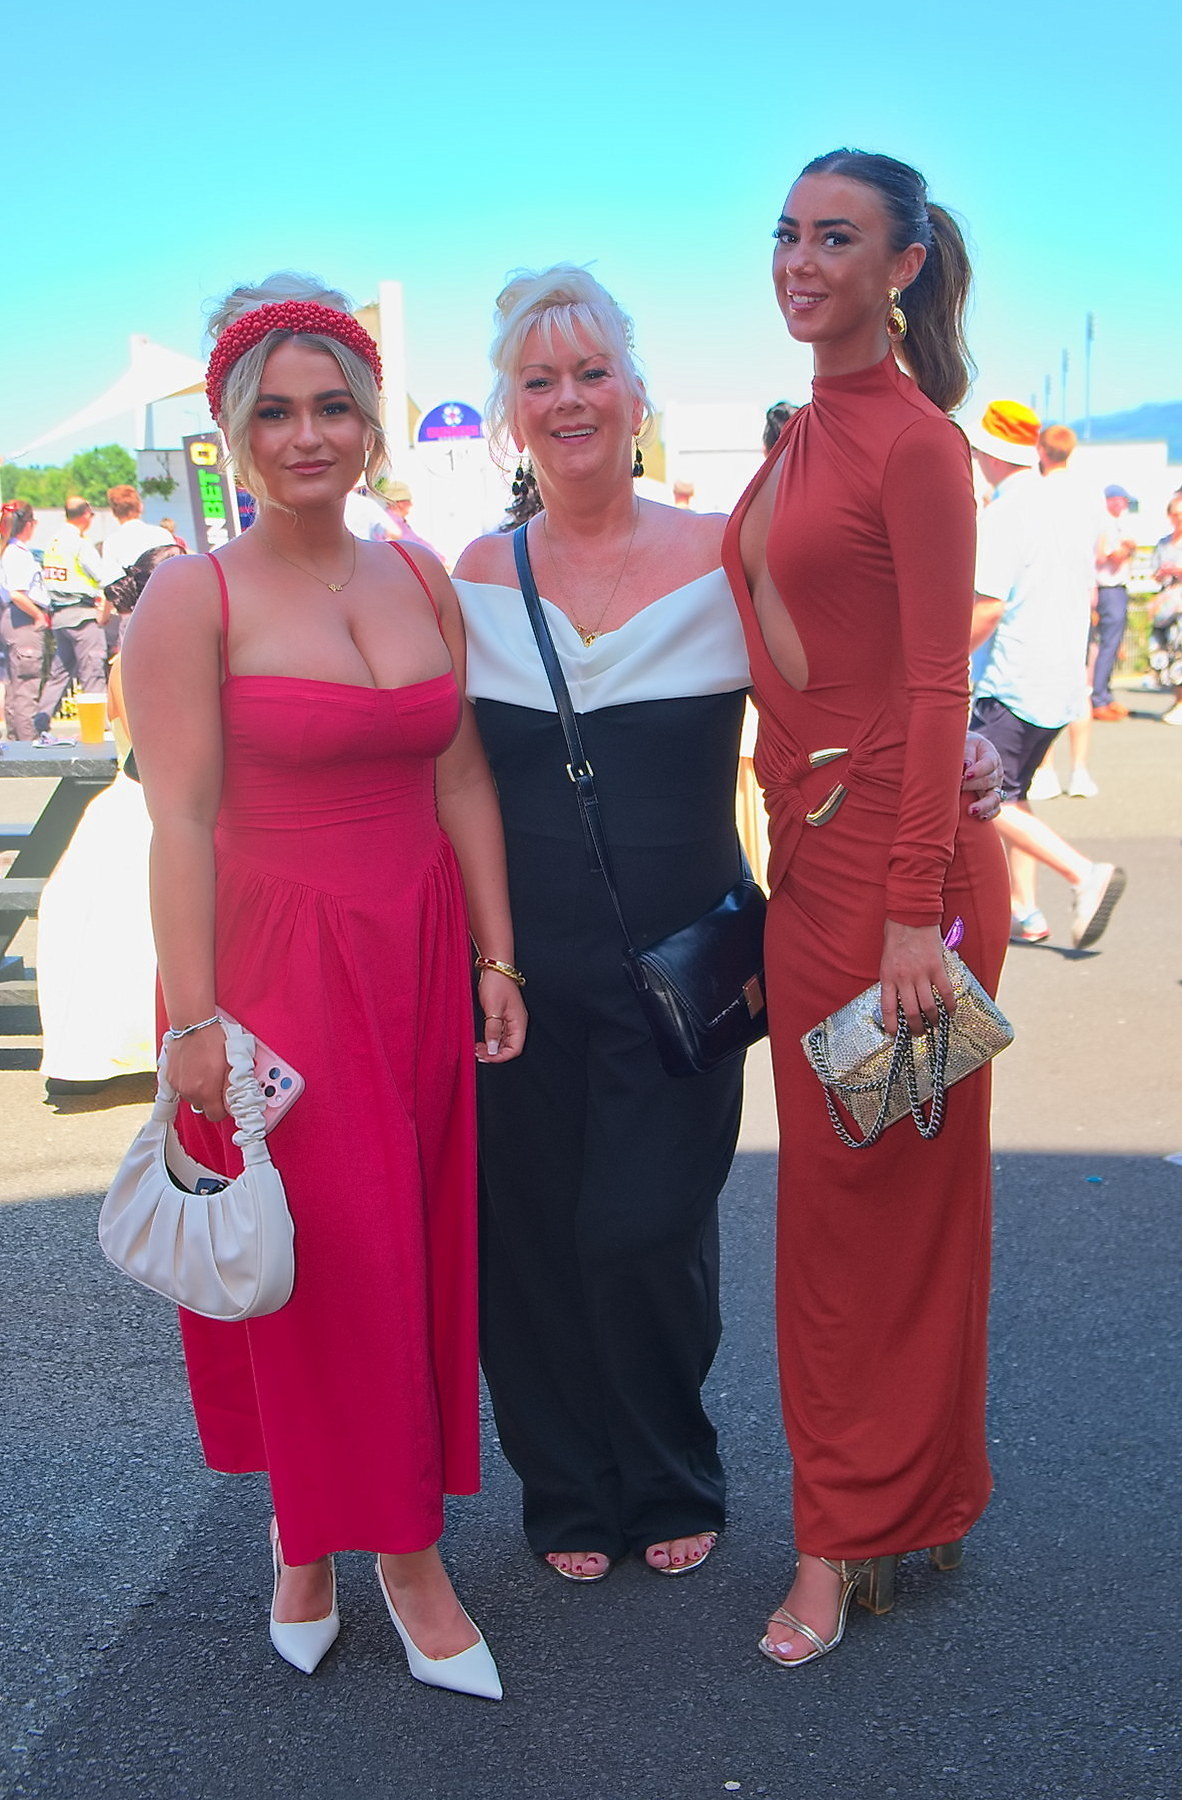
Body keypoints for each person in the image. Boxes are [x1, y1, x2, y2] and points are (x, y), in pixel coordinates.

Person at [451, 264, 1003, 1587]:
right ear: (509, 415)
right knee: (526, 1233)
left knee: (646, 1224)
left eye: (593, 374)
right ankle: (567, 1491)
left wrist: (967, 753)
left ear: (635, 396)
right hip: (517, 966)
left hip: (690, 962)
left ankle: (670, 1469)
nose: (569, 399)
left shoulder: (720, 553)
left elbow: (859, 682)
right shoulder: (471, 574)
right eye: (541, 381)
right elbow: (431, 761)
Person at [120, 274, 525, 1697]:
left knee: (401, 1245)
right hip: (277, 962)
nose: (309, 434)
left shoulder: (418, 573)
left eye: (334, 405)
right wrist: (190, 1022)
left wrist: (494, 952)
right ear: (234, 432)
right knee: (317, 1257)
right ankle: (394, 1557)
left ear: (371, 422)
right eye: (276, 411)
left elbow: (460, 769)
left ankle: (312, 1524)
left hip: (414, 946)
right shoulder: (192, 593)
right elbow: (175, 819)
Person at [722, 149, 1012, 1667]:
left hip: (901, 892)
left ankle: (836, 1544)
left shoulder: (911, 442)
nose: (798, 260)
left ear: (900, 268)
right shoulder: (802, 435)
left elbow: (930, 677)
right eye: (785, 233)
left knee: (860, 1231)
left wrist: (913, 914)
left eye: (834, 239)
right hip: (816, 872)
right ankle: (919, 1500)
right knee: (881, 1220)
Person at [971, 417, 1126, 948]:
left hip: (1013, 677)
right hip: (1057, 680)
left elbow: (988, 606)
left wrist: (931, 663)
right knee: (1013, 791)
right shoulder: (1069, 505)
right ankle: (1025, 910)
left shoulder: (1004, 512)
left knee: (982, 793)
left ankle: (1084, 874)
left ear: (987, 455)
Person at [37, 543, 182, 1091]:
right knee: (127, 934)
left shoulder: (146, 654)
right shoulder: (138, 659)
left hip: (149, 801)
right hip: (145, 804)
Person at [36, 496, 109, 739]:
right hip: (82, 616)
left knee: (60, 673)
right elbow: (102, 576)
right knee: (93, 672)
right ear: (85, 514)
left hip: (59, 617)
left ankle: (41, 720)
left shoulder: (53, 542)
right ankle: (99, 731)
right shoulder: (79, 543)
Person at [1, 500, 51, 741]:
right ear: (28, 524)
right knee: (26, 684)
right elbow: (17, 593)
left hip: (12, 619)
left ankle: (15, 739)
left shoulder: (9, 550)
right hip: (23, 619)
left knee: (14, 684)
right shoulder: (17, 553)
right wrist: (38, 614)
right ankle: (27, 742)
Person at [1091, 484, 1138, 720]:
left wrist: (1128, 548)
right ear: (1111, 500)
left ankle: (1105, 695)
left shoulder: (1118, 523)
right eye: (1122, 500)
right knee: (1108, 644)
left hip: (1116, 587)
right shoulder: (1103, 523)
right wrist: (1124, 549)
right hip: (1107, 588)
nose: (1125, 505)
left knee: (1113, 642)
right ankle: (1098, 697)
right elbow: (1104, 555)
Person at [1149, 489, 1182, 725]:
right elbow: (1154, 573)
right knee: (1166, 652)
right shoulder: (1163, 543)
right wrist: (1162, 574)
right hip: (1166, 604)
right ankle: (1176, 699)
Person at [98, 485, 174, 585]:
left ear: (114, 512)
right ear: (140, 507)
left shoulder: (112, 542)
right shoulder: (162, 534)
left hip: (133, 598)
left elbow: (111, 581)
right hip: (164, 592)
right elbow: (175, 570)